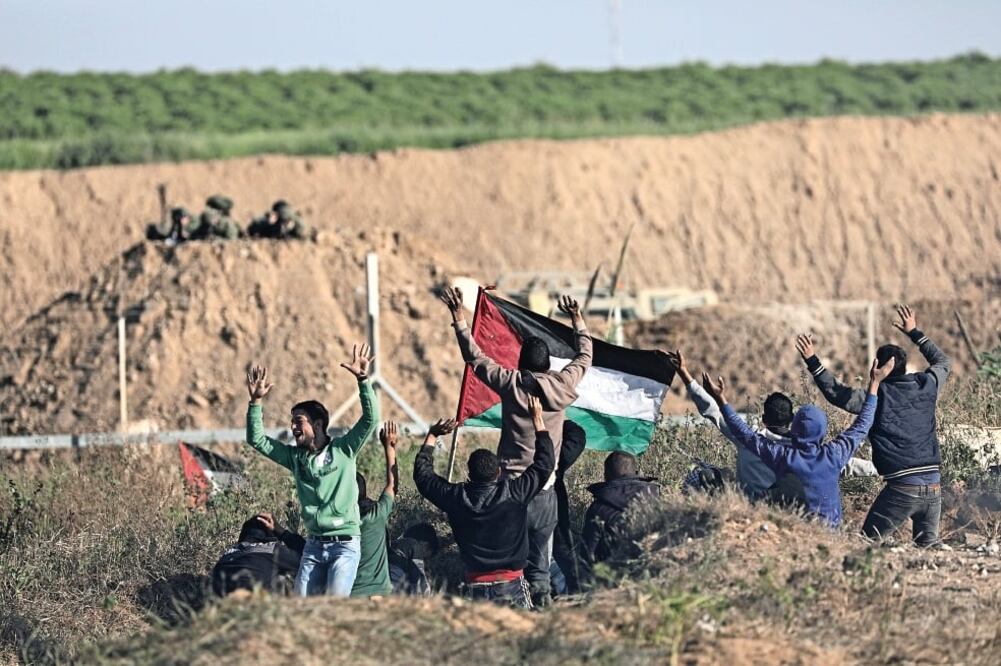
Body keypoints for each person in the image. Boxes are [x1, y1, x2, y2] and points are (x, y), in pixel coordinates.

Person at [441, 286, 592, 607]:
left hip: (510, 492)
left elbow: (475, 358)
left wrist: (458, 318)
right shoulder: (563, 384)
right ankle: (541, 608)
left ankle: (512, 613)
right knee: (541, 559)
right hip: (545, 488)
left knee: (511, 563)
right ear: (548, 364)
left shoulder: (511, 383)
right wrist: (578, 320)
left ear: (521, 364)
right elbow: (584, 357)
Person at [797, 304, 951, 546]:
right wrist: (914, 332)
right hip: (934, 486)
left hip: (902, 488)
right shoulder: (926, 384)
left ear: (878, 366)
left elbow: (837, 394)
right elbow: (943, 362)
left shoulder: (876, 398)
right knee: (928, 549)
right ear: (905, 366)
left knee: (866, 544)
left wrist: (812, 361)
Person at [244, 344, 378, 597]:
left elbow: (371, 419)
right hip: (314, 547)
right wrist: (255, 402)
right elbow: (257, 440)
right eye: (291, 421)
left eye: (299, 421)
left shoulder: (343, 449)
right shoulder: (295, 458)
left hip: (345, 546)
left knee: (333, 606)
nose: (293, 426)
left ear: (317, 424)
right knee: (302, 608)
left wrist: (363, 380)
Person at [664, 349, 878, 505]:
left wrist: (685, 374)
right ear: (792, 419)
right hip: (795, 512)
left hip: (751, 508)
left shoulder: (751, 441)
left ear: (763, 418)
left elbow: (713, 412)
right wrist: (890, 469)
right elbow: (851, 463)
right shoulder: (812, 454)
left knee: (705, 475)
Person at [702, 356, 894, 527]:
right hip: (830, 533)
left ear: (793, 429)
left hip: (796, 529)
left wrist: (721, 399)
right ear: (822, 431)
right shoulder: (834, 454)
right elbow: (863, 423)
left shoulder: (782, 456)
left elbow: (745, 434)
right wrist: (874, 383)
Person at [413, 396, 556, 609]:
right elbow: (545, 464)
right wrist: (537, 420)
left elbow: (423, 477)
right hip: (513, 584)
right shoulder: (515, 492)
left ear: (469, 473)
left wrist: (432, 436)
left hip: (475, 587)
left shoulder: (456, 497)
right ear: (499, 472)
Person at [580, 452, 660, 567]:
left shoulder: (597, 509)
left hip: (612, 576)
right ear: (635, 473)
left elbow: (587, 555)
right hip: (652, 572)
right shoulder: (655, 499)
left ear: (606, 475)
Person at [351, 421, 399, 598]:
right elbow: (393, 485)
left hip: (348, 596)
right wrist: (389, 447)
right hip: (378, 595)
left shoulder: (334, 524)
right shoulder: (375, 516)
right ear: (363, 492)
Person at [211, 512, 305, 596]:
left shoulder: (227, 555)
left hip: (220, 605)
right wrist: (283, 533)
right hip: (252, 604)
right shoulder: (271, 549)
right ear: (269, 537)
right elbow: (308, 559)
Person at [551, 419, 587, 595]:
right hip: (553, 507)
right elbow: (577, 438)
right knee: (562, 549)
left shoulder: (515, 457)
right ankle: (573, 593)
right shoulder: (551, 463)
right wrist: (557, 420)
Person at [388, 523, 440, 596]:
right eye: (425, 558)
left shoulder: (392, 545)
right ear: (425, 545)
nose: (424, 562)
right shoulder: (414, 545)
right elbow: (419, 583)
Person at [247, 199, 311, 240]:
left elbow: (302, 230)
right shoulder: (271, 221)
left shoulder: (295, 221)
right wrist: (268, 222)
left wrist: (292, 221)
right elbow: (252, 230)